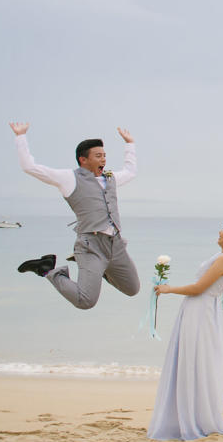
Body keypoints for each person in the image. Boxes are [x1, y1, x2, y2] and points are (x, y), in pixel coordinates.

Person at [9, 122, 141, 309]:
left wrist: (130, 144)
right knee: (85, 301)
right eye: (98, 156)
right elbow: (30, 167)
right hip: (91, 246)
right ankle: (47, 270)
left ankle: (96, 270)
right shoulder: (69, 178)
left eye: (104, 156)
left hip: (115, 245)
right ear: (83, 160)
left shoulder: (110, 178)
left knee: (132, 288)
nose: (103, 160)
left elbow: (130, 172)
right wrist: (20, 137)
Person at [147, 218, 223, 440]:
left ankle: (191, 418)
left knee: (191, 361)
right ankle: (185, 414)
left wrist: (168, 289)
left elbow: (198, 288)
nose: (220, 232)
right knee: (191, 360)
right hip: (199, 310)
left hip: (200, 310)